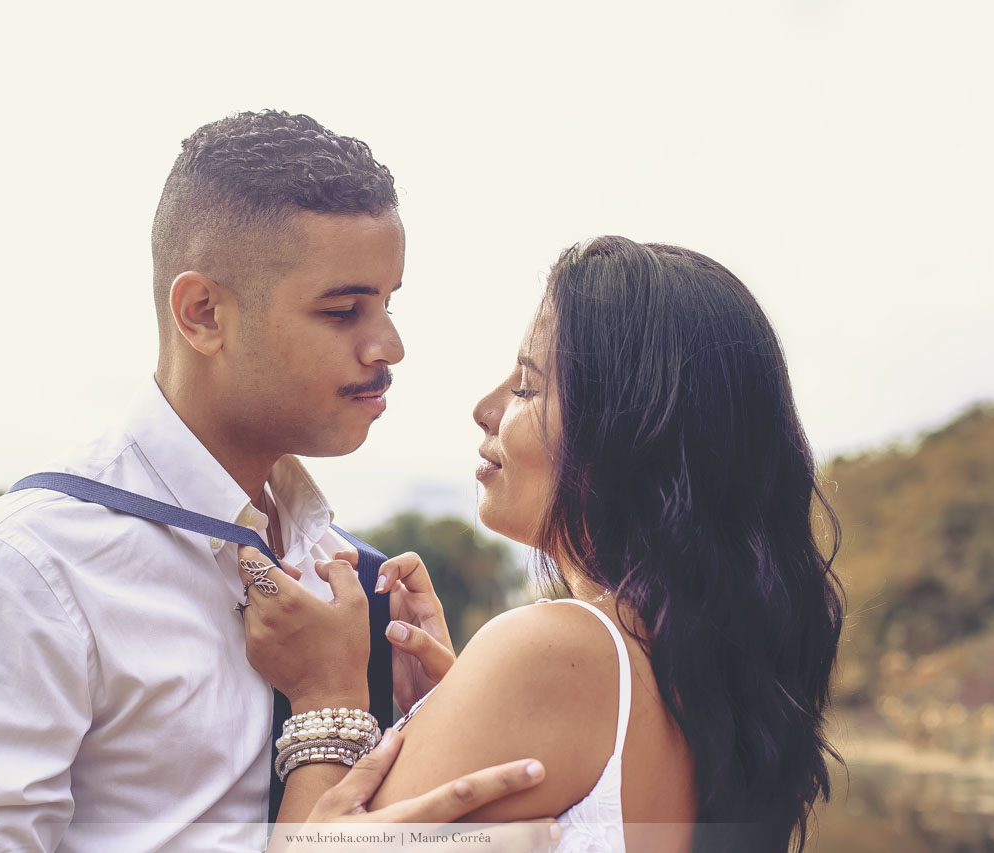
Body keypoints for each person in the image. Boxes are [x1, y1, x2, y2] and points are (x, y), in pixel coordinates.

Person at [0, 110, 554, 852]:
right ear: (202, 313)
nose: (388, 344)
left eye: (389, 301)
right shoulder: (28, 566)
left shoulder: (356, 580)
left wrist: (431, 727)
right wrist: (327, 706)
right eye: (343, 309)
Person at [241, 236, 847, 852]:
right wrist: (457, 710)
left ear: (628, 431)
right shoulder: (699, 673)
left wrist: (326, 700)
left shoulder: (555, 650)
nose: (484, 409)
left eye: (526, 389)